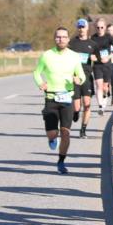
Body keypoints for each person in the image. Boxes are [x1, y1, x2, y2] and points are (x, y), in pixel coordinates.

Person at [32, 26, 86, 174]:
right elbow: (37, 73)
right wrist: (40, 83)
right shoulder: (46, 55)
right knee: (52, 134)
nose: (61, 39)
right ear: (54, 38)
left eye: (63, 37)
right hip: (51, 98)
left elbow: (82, 76)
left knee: (66, 133)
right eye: (58, 37)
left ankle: (61, 161)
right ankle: (52, 139)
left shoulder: (74, 56)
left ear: (68, 39)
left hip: (67, 98)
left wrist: (78, 79)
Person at [68, 18, 96, 138]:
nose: (81, 29)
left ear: (87, 28)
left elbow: (100, 60)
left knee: (87, 104)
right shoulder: (72, 43)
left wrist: (96, 59)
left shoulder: (93, 44)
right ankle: (75, 112)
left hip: (87, 77)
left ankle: (83, 130)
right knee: (77, 106)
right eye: (79, 27)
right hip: (75, 77)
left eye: (83, 27)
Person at [90, 18, 113, 116]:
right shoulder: (92, 38)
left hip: (107, 65)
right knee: (99, 85)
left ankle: (105, 97)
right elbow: (89, 50)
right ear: (95, 28)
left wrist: (109, 57)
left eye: (102, 27)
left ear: (105, 27)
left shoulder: (109, 37)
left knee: (105, 87)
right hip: (97, 65)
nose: (100, 29)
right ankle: (101, 107)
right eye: (97, 27)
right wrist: (92, 56)